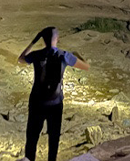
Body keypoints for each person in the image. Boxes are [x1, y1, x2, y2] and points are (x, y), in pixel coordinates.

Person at [18, 27, 90, 161]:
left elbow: (21, 59)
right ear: (58, 39)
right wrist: (77, 55)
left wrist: (34, 41)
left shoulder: (37, 54)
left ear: (43, 40)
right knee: (54, 140)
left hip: (37, 103)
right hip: (55, 104)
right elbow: (86, 67)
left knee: (32, 139)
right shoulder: (65, 55)